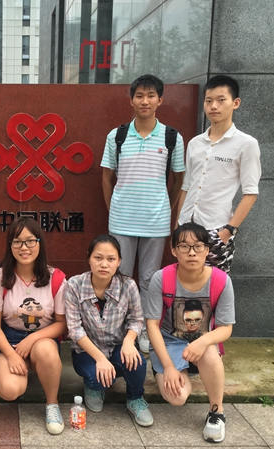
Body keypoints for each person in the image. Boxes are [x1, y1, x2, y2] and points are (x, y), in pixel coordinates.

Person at [101, 74, 185, 354]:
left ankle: (148, 330)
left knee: (150, 278)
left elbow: (178, 179)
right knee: (120, 276)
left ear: (160, 100)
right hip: (122, 220)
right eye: (139, 96)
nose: (145, 101)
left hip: (155, 221)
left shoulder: (172, 137)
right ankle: (123, 329)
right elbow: (106, 178)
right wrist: (114, 209)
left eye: (151, 96)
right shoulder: (117, 136)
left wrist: (166, 208)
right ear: (131, 100)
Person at [144, 222, 235, 443]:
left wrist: (203, 342)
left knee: (209, 350)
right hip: (169, 342)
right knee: (177, 398)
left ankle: (217, 412)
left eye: (198, 246)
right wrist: (168, 366)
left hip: (202, 343)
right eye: (184, 246)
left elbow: (226, 328)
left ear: (207, 250)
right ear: (174, 250)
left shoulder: (221, 281)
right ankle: (174, 371)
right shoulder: (161, 278)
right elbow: (152, 326)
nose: (192, 252)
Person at [0, 217, 68, 435]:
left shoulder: (56, 278)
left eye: (30, 241)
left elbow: (61, 324)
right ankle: (24, 368)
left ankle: (52, 404)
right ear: (10, 245)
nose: (24, 247)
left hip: (43, 338)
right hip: (10, 340)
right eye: (17, 242)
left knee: (45, 349)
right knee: (9, 390)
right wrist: (11, 355)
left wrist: (32, 339)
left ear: (39, 243)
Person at [65, 234, 153, 427]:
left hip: (118, 346)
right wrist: (100, 359)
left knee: (137, 363)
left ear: (119, 261)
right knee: (98, 379)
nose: (104, 264)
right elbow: (75, 329)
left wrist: (129, 342)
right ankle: (94, 387)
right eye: (98, 258)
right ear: (89, 258)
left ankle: (135, 398)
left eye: (111, 259)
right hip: (86, 351)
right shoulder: (74, 285)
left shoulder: (128, 285)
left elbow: (137, 320)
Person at [176, 75, 261, 274]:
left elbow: (250, 193)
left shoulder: (246, 144)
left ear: (235, 103)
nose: (214, 106)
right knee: (184, 285)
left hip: (216, 229)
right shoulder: (195, 143)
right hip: (186, 228)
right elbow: (186, 186)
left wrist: (228, 231)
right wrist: (177, 226)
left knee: (215, 286)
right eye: (209, 101)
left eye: (221, 100)